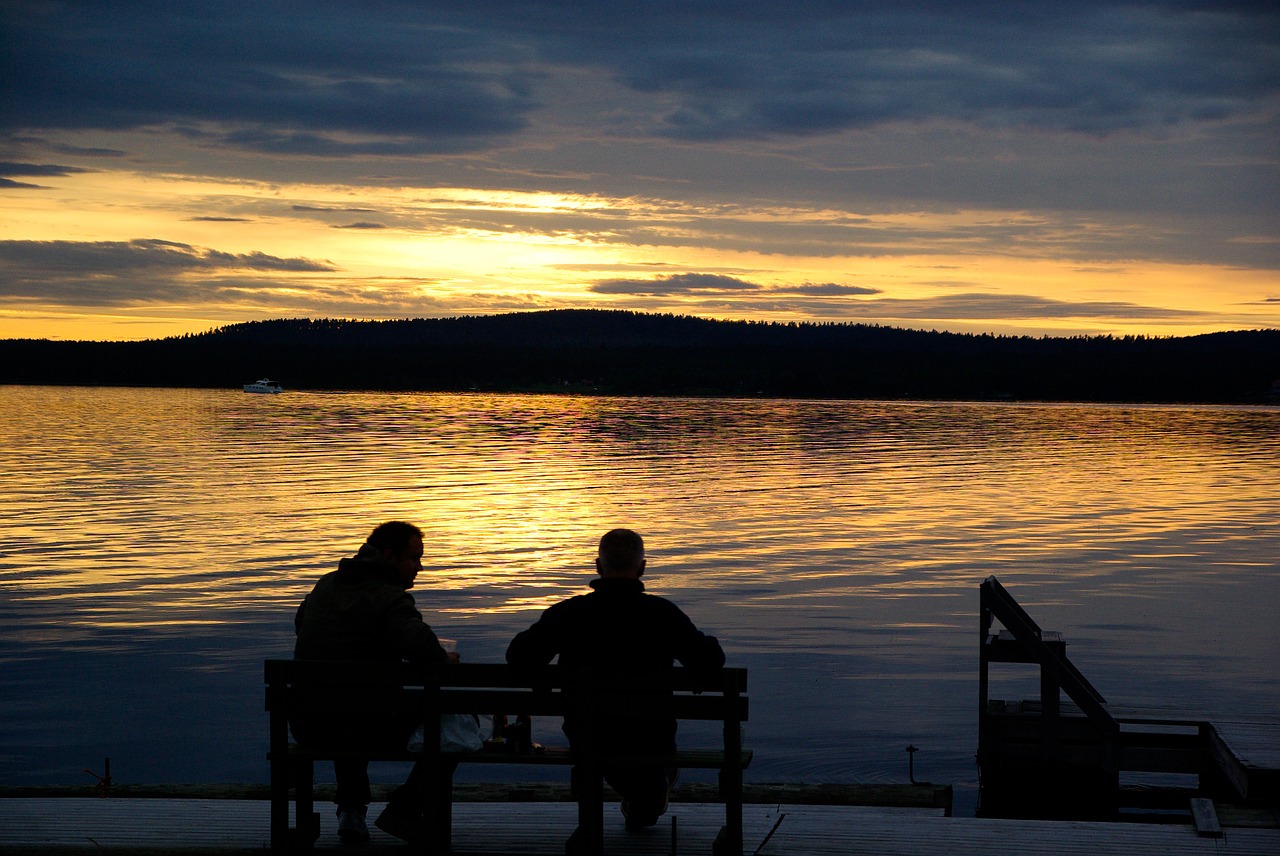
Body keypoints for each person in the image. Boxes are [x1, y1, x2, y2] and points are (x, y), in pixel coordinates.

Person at [506, 528, 725, 831]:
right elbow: (710, 661)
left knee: (626, 765)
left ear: (598, 566)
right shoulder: (663, 615)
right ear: (642, 568)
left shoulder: (569, 614)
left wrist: (541, 677)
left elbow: (518, 656)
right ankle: (649, 794)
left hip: (588, 736)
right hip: (652, 739)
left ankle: (645, 796)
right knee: (649, 770)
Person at [292, 520, 457, 845]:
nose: (419, 567)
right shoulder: (391, 599)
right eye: (414, 558)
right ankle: (406, 810)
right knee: (455, 725)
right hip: (365, 724)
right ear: (389, 556)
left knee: (347, 706)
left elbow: (302, 624)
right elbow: (421, 647)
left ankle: (352, 810)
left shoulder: (325, 586)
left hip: (308, 723)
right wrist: (443, 658)